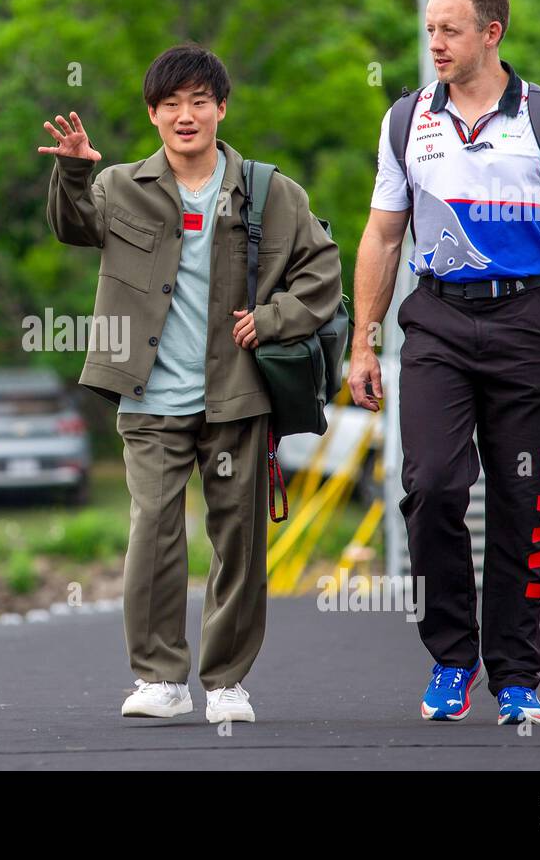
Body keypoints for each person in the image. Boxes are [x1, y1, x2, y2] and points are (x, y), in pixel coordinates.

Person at [40, 44, 342, 722]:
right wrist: (71, 170)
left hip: (237, 396)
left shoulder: (269, 190)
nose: (186, 114)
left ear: (221, 108)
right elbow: (71, 226)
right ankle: (160, 679)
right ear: (152, 114)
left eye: (199, 101)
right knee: (154, 529)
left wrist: (272, 319)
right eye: (171, 104)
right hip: (149, 397)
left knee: (238, 538)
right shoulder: (119, 186)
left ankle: (227, 680)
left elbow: (322, 274)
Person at [348, 0, 540, 726]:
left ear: (491, 33)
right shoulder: (404, 120)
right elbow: (381, 234)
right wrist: (364, 343)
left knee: (521, 504)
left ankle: (517, 676)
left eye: (450, 29)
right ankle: (451, 660)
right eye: (430, 28)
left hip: (529, 322)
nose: (435, 42)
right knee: (430, 486)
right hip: (436, 322)